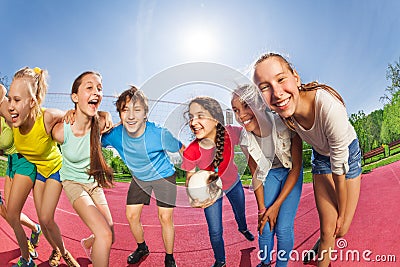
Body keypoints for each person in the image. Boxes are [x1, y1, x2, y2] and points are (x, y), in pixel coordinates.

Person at [253, 53, 362, 267]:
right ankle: (323, 247)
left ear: (296, 77)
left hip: (346, 156)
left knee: (341, 228)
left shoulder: (328, 106)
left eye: (281, 79)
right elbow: (258, 125)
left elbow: (339, 167)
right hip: (321, 157)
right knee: (328, 229)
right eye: (265, 87)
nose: (276, 93)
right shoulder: (284, 114)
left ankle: (321, 245)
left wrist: (341, 213)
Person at [101, 86, 183, 267]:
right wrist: (100, 119)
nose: (131, 116)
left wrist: (193, 171)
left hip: (164, 175)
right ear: (120, 114)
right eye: (125, 110)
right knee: (131, 215)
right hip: (140, 178)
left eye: (136, 110)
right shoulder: (114, 135)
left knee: (165, 218)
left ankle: (169, 257)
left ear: (145, 113)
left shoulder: (159, 134)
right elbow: (93, 137)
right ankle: (142, 248)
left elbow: (182, 148)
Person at [8, 67, 80, 267]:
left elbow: (71, 114)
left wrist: (72, 113)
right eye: (9, 99)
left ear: (32, 102)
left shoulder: (46, 116)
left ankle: (65, 253)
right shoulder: (12, 114)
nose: (11, 106)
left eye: (17, 100)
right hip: (39, 172)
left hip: (56, 169)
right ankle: (56, 250)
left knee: (47, 218)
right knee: (42, 218)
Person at [231, 85, 303, 267]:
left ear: (261, 104)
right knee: (265, 225)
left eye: (246, 106)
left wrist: (276, 206)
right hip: (269, 174)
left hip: (290, 173)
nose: (241, 115)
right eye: (236, 110)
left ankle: (281, 265)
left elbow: (295, 167)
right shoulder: (244, 140)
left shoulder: (286, 122)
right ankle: (264, 263)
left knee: (283, 228)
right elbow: (256, 175)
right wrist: (262, 209)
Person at [181, 96, 255, 267]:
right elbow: (190, 178)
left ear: (215, 119)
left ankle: (243, 228)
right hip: (210, 192)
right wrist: (194, 196)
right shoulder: (192, 150)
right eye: (191, 117)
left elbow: (251, 132)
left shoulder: (230, 132)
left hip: (233, 183)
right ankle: (220, 261)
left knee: (240, 213)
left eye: (200, 116)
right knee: (215, 231)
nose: (193, 122)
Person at [51, 71, 114, 267]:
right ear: (75, 97)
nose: (96, 92)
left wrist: (106, 113)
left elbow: (105, 117)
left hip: (93, 183)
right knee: (104, 234)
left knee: (110, 233)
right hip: (73, 183)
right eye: (89, 87)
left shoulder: (101, 123)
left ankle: (88, 243)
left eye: (99, 89)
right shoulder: (61, 131)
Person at [0, 84, 42, 267]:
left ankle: (27, 260)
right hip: (11, 162)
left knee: (13, 215)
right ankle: (35, 229)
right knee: (9, 213)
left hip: (26, 160)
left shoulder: (5, 105)